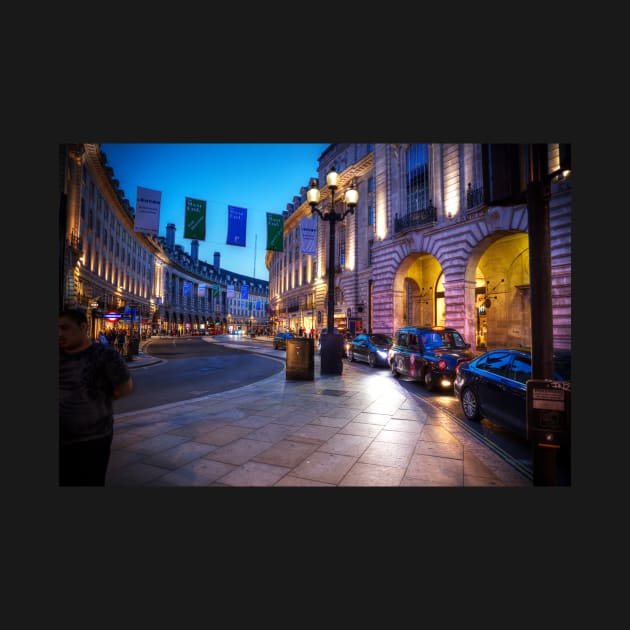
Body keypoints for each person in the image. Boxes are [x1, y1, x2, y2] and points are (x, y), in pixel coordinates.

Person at [59, 308, 133, 486]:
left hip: (93, 439)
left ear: (83, 327)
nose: (60, 333)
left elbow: (124, 386)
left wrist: (96, 400)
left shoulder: (104, 354)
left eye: (65, 328)